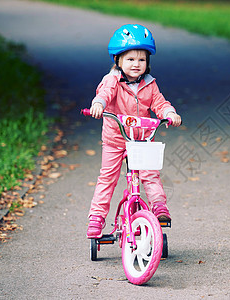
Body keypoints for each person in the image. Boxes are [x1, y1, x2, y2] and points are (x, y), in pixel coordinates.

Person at [86, 24, 181, 239]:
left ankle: (159, 208)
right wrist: (99, 104)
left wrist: (170, 113)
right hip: (115, 139)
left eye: (141, 59)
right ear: (118, 61)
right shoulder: (113, 80)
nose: (136, 64)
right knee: (107, 177)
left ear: (148, 62)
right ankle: (97, 217)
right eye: (130, 59)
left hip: (142, 140)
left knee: (150, 174)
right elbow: (104, 94)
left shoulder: (150, 84)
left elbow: (160, 103)